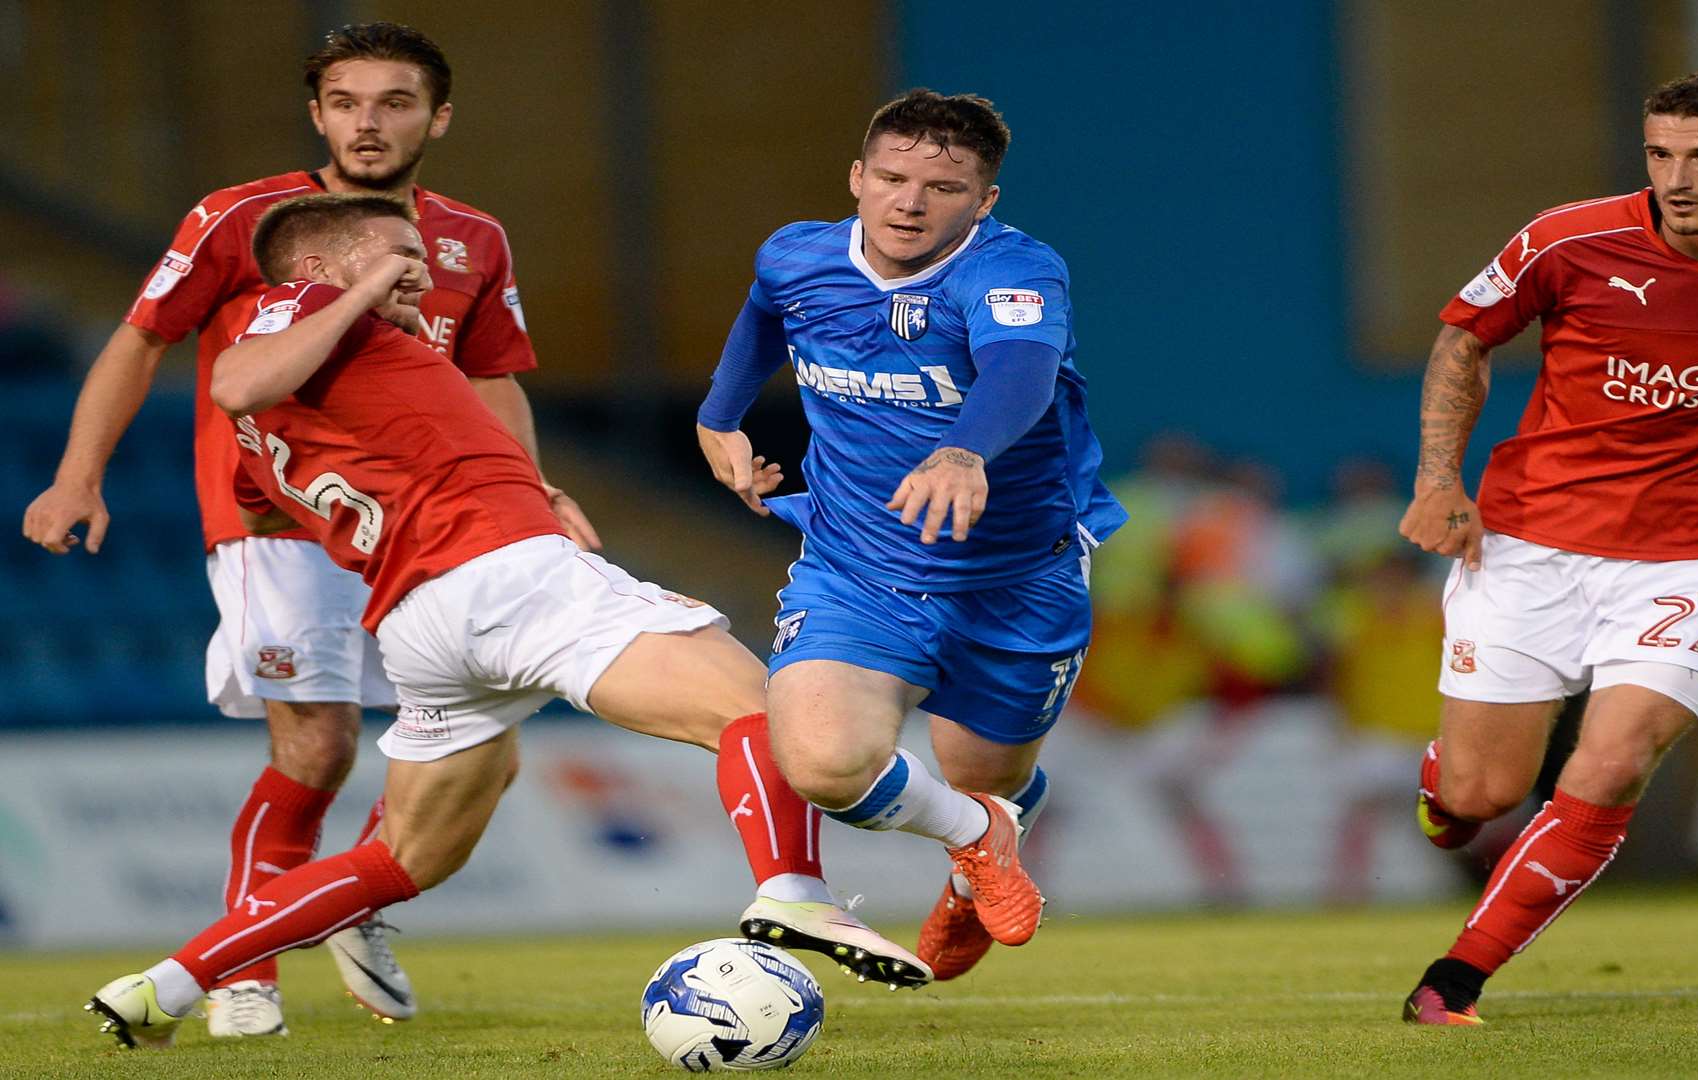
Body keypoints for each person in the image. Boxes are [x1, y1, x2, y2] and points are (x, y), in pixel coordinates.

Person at [85, 193, 927, 1051]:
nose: (415, 271)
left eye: (414, 255)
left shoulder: (314, 402)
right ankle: (793, 891)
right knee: (767, 712)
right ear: (315, 269)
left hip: (422, 621)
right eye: (392, 254)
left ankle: (165, 985)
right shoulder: (298, 309)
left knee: (403, 861)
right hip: (503, 575)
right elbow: (232, 378)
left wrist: (512, 480)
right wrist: (369, 307)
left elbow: (271, 497)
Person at [19, 23, 597, 1036]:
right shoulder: (242, 219)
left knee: (487, 751)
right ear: (317, 113)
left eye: (395, 102)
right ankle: (246, 968)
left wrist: (537, 489)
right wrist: (79, 476)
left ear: (439, 117)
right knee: (320, 746)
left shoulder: (474, 238)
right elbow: (143, 338)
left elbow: (490, 378)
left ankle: (347, 901)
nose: (368, 124)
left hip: (427, 525)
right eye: (346, 102)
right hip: (275, 517)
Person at [1396, 71, 1698, 1025]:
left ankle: (1452, 983)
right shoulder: (1567, 239)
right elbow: (1463, 339)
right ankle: (1448, 786)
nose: (1679, 177)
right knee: (1482, 793)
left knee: (1613, 763)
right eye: (1661, 154)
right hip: (1533, 541)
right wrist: (1437, 483)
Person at [695, 89, 1126, 980]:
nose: (909, 202)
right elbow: (764, 316)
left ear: (985, 201)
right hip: (858, 567)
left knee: (987, 777)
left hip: (1015, 578)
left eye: (943, 186)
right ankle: (980, 843)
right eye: (890, 177)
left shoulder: (1013, 273)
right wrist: (719, 417)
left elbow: (1021, 369)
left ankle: (979, 848)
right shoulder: (797, 256)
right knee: (822, 762)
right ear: (857, 177)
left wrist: (966, 449)